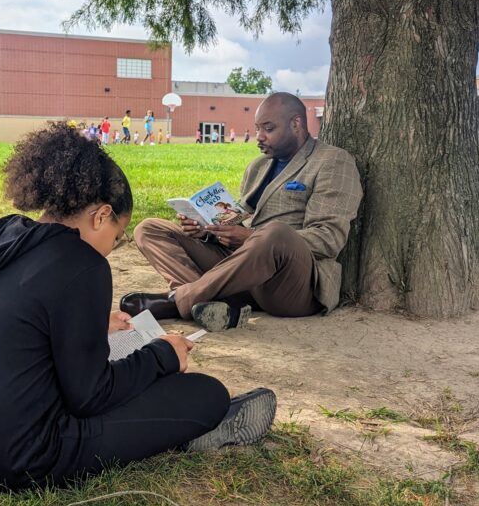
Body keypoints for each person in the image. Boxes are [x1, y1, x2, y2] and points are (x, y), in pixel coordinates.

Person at [0, 124, 277, 490]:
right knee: (206, 394)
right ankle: (197, 428)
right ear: (100, 215)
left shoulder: (6, 235)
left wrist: (93, 325)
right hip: (21, 457)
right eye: (116, 235)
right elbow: (90, 396)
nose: (113, 246)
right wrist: (162, 356)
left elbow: (27, 323)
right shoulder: (82, 264)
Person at [121, 93, 362, 333]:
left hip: (292, 283)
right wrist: (207, 231)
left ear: (296, 124)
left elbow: (329, 239)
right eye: (257, 128)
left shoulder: (332, 162)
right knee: (150, 229)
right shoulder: (258, 166)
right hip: (242, 268)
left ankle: (177, 301)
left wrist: (251, 237)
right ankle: (215, 303)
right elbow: (242, 217)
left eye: (268, 128)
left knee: (275, 233)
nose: (259, 137)